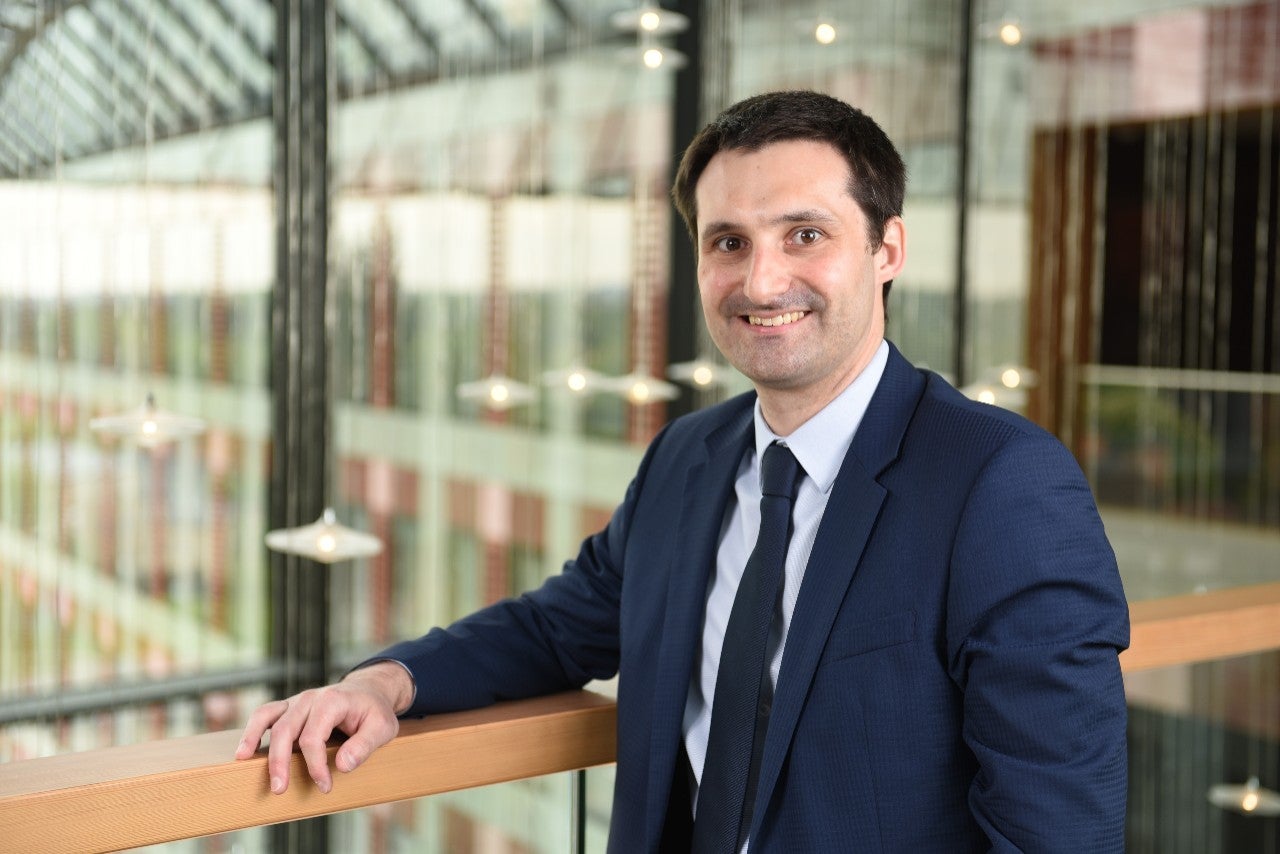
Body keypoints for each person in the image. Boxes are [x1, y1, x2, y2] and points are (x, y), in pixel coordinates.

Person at [237, 90, 1129, 852]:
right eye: (728, 242)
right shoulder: (688, 457)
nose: (762, 282)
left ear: (887, 249)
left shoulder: (1001, 484)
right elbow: (557, 629)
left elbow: (1057, 830)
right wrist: (382, 683)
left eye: (805, 234)